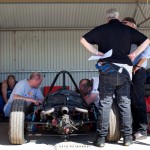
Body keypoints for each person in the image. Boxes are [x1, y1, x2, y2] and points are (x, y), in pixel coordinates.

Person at [80, 8, 150, 147]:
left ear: (107, 18)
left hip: (107, 71)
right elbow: (147, 40)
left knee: (105, 104)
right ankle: (128, 138)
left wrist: (97, 52)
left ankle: (100, 139)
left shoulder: (101, 29)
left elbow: (83, 40)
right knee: (124, 103)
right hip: (124, 71)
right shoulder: (127, 30)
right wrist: (134, 54)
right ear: (118, 17)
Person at [122, 17, 150, 140]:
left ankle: (142, 130)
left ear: (133, 25)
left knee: (138, 99)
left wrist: (137, 67)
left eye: (125, 24)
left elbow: (146, 54)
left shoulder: (140, 37)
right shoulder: (126, 39)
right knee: (129, 100)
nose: (123, 26)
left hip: (138, 71)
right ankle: (133, 129)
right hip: (127, 72)